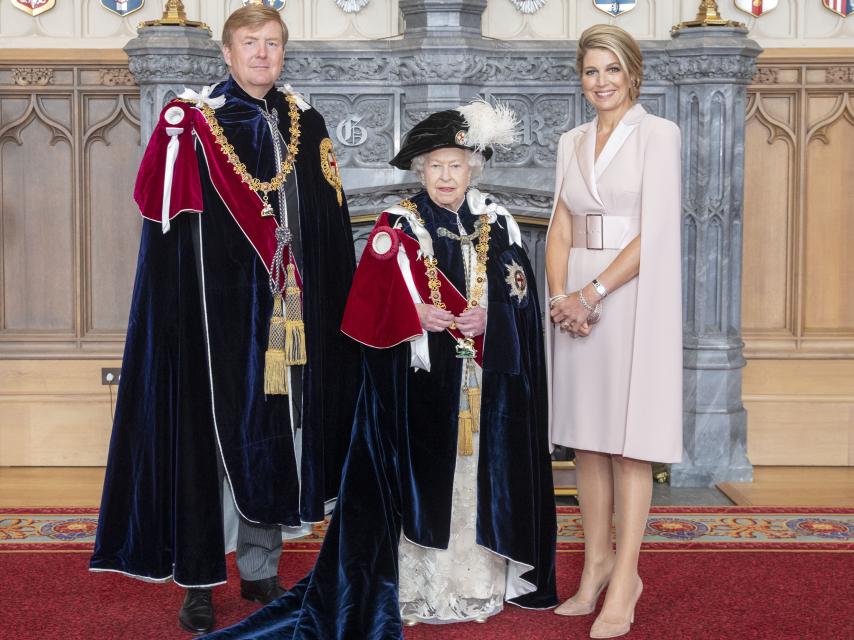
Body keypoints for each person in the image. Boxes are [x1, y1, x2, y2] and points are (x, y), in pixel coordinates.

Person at [206, 100, 557, 639]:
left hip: (479, 383)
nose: (445, 175)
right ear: (421, 170)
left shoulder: (500, 223)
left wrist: (498, 316)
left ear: (473, 169)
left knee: (473, 483)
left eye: (456, 165)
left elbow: (522, 298)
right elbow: (361, 311)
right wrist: (413, 314)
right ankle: (418, 586)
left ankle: (475, 582)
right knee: (422, 482)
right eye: (436, 165)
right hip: (415, 389)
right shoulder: (397, 226)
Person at [89, 5, 361, 634]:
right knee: (210, 442)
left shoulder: (305, 121)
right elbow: (167, 226)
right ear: (228, 53)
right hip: (216, 316)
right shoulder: (196, 122)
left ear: (283, 52)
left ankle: (261, 567)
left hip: (287, 313)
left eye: (272, 43)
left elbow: (326, 223)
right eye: (249, 43)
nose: (262, 54)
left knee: (273, 435)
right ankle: (200, 579)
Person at [545, 24, 683, 639]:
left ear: (633, 73)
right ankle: (596, 561)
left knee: (629, 442)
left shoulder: (660, 135)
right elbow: (558, 226)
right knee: (588, 441)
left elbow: (653, 233)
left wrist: (593, 293)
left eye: (612, 70)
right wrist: (560, 297)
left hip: (629, 292)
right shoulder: (569, 139)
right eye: (591, 70)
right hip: (575, 292)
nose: (601, 82)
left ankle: (626, 575)